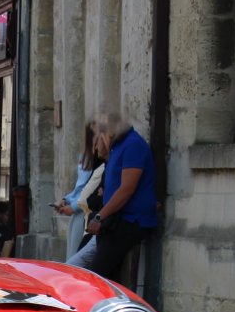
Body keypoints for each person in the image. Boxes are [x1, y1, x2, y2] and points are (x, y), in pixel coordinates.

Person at [66, 112, 158, 282]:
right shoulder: (118, 148)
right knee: (99, 274)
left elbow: (126, 189)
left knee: (97, 275)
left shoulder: (133, 145)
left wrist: (101, 216)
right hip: (113, 222)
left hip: (129, 222)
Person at [54, 118, 107, 262]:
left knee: (75, 257)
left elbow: (83, 190)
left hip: (85, 212)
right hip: (82, 211)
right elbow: (82, 188)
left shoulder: (97, 160)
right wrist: (68, 201)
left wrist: (70, 203)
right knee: (74, 257)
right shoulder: (90, 159)